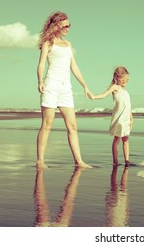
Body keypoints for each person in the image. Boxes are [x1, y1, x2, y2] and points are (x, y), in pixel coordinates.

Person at [36, 11, 92, 169]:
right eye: (65, 25)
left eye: (69, 25)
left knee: (73, 126)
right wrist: (40, 81)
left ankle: (79, 161)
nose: (68, 28)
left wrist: (85, 86)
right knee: (47, 124)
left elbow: (74, 66)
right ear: (56, 25)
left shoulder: (68, 44)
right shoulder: (48, 43)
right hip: (51, 85)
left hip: (66, 88)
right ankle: (40, 160)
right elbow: (41, 64)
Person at [91, 66, 133, 166]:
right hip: (119, 118)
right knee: (117, 139)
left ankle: (127, 160)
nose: (124, 81)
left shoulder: (125, 91)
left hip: (126, 118)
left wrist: (131, 117)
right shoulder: (115, 88)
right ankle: (115, 161)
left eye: (126, 80)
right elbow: (104, 95)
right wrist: (94, 97)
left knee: (126, 139)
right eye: (122, 79)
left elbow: (128, 105)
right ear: (116, 77)